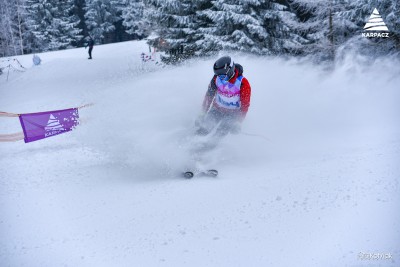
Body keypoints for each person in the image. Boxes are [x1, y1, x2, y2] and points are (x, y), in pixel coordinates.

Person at [196, 56, 251, 137]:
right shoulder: (216, 78)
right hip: (217, 109)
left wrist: (239, 122)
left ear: (230, 71)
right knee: (204, 128)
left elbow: (245, 104)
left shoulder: (242, 83)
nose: (220, 78)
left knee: (220, 133)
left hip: (232, 114)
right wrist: (202, 113)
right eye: (218, 75)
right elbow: (209, 96)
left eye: (223, 76)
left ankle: (211, 146)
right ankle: (192, 143)